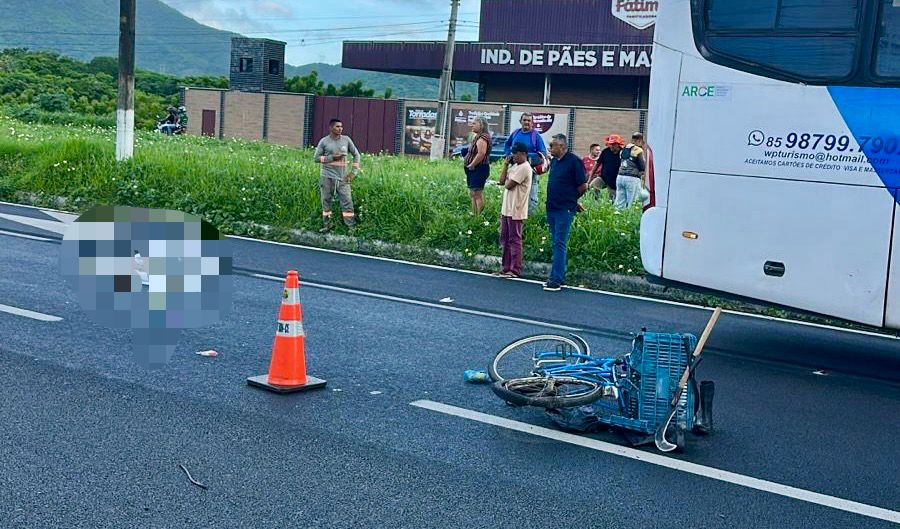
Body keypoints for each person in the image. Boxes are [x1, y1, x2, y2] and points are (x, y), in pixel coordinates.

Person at [544, 134, 587, 292]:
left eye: (553, 145)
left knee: (559, 243)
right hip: (552, 207)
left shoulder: (574, 161)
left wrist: (572, 200)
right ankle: (557, 276)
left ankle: (556, 279)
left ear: (561, 146)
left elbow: (583, 185)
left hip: (564, 208)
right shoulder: (555, 161)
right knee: (555, 242)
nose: (550, 148)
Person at [314, 118, 361, 232]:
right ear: (331, 128)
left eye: (341, 127)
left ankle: (351, 227)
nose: (340, 129)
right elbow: (316, 158)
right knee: (326, 201)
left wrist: (353, 172)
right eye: (337, 126)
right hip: (327, 176)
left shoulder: (346, 140)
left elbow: (356, 155)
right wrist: (331, 158)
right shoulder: (324, 141)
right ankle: (327, 225)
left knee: (347, 201)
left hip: (343, 177)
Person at [496, 142, 533, 278]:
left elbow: (508, 185)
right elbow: (502, 181)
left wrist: (507, 180)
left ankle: (515, 268)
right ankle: (506, 267)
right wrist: (506, 165)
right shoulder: (515, 166)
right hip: (507, 208)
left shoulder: (525, 168)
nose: (513, 156)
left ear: (523, 154)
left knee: (514, 239)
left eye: (515, 154)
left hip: (516, 209)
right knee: (505, 238)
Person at [504, 113, 549, 215]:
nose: (526, 122)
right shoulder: (515, 133)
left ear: (532, 123)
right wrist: (507, 154)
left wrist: (525, 157)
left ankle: (531, 216)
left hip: (530, 169)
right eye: (524, 120)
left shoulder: (536, 136)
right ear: (521, 121)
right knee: (514, 191)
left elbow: (543, 153)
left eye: (529, 120)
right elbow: (507, 144)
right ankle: (513, 213)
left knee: (531, 193)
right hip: (515, 167)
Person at [463, 116, 492, 216]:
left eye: (474, 123)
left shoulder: (483, 138)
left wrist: (472, 164)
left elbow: (481, 153)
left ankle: (479, 216)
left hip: (479, 168)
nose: (472, 125)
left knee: (477, 193)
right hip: (473, 169)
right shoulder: (477, 136)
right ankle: (474, 214)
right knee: (472, 193)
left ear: (481, 125)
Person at [614, 132, 646, 210]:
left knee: (619, 202)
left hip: (620, 177)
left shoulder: (623, 149)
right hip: (631, 178)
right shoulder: (638, 150)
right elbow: (643, 166)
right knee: (633, 202)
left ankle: (617, 215)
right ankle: (630, 216)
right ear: (639, 140)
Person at [589, 134, 624, 202]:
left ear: (618, 144)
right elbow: (597, 164)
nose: (611, 146)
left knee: (613, 200)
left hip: (615, 181)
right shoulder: (605, 151)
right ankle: (598, 202)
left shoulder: (623, 153)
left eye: (613, 144)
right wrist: (590, 179)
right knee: (592, 186)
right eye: (610, 144)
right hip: (603, 177)